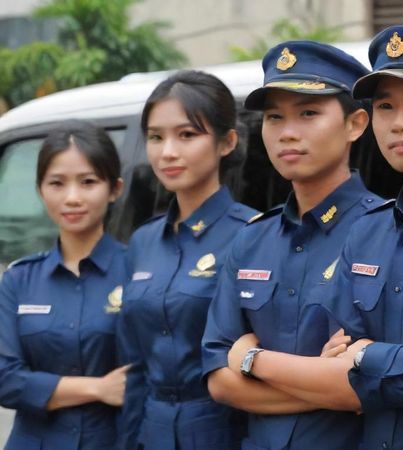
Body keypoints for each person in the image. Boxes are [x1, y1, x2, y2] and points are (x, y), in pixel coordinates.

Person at [225, 26, 403, 450]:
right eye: (386, 106)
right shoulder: (370, 230)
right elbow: (340, 369)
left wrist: (252, 358)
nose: (400, 123)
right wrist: (355, 371)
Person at [201, 41, 380, 450]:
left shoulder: (383, 232)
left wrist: (250, 360)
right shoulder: (252, 238)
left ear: (355, 124)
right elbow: (219, 380)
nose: (288, 133)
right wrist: (319, 379)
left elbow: (362, 386)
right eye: (274, 117)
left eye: (308, 113)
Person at [117, 70, 258, 450]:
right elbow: (136, 370)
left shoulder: (254, 235)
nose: (168, 152)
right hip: (152, 432)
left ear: (227, 142)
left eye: (187, 135)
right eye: (155, 137)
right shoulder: (143, 242)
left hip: (227, 432)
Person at [0, 120, 127, 449]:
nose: (72, 198)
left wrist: (45, 388)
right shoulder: (18, 280)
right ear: (41, 189)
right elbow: (6, 380)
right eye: (57, 183)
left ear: (115, 188)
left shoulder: (139, 272)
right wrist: (98, 388)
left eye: (87, 182)